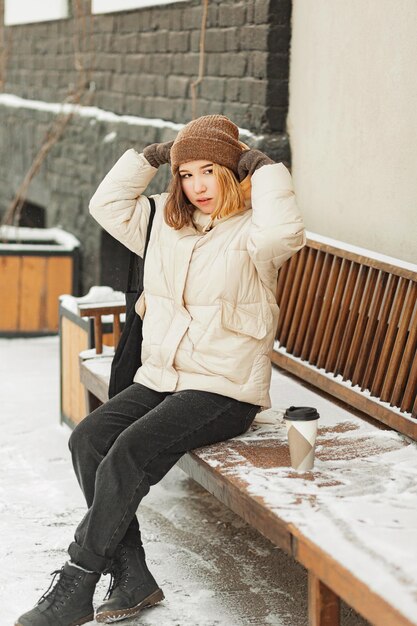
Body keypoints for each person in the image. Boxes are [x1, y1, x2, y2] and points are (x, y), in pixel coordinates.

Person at [16, 114, 305, 626]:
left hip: (223, 390)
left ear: (232, 172)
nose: (196, 186)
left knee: (126, 451)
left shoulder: (255, 233)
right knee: (88, 439)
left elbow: (287, 232)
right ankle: (133, 577)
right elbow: (104, 205)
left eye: (209, 171)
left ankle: (77, 581)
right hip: (163, 377)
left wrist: (263, 166)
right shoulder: (163, 224)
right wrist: (149, 157)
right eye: (186, 173)